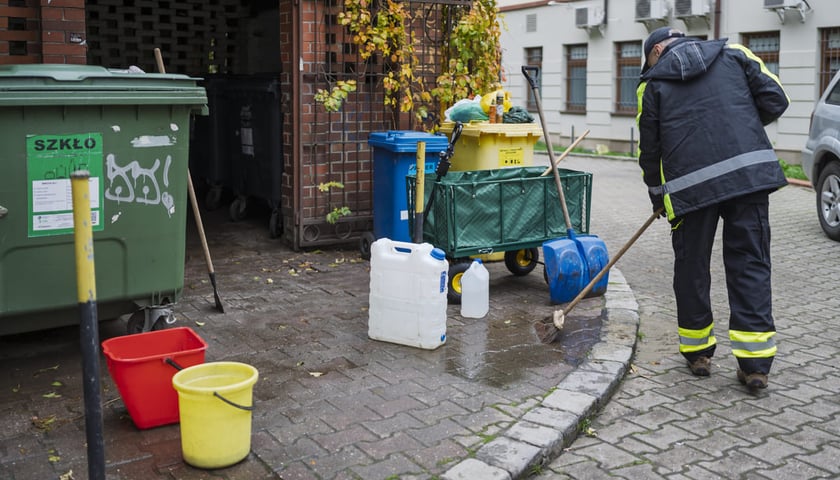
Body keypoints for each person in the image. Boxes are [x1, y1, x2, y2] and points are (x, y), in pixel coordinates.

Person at [636, 27, 789, 392]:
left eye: (648, 60)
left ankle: (698, 354)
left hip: (690, 192)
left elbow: (650, 152)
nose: (650, 67)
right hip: (747, 177)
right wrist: (737, 126)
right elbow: (776, 99)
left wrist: (659, 197)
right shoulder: (736, 54)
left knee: (691, 268)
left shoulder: (652, 85)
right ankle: (755, 366)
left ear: (657, 49)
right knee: (750, 263)